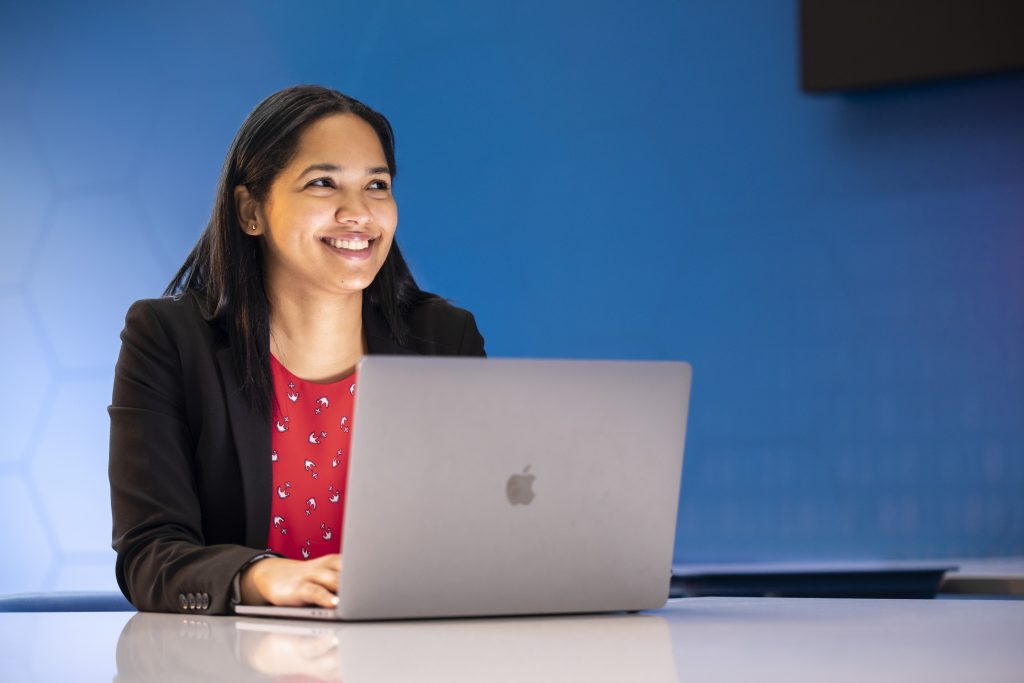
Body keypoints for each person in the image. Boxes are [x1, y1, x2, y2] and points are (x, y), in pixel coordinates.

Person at [108, 85, 485, 614]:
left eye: (377, 185)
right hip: (232, 663)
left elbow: (486, 529)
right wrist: (263, 577)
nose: (358, 213)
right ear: (250, 211)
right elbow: (148, 554)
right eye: (323, 183)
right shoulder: (168, 340)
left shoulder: (445, 339)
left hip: (402, 655)